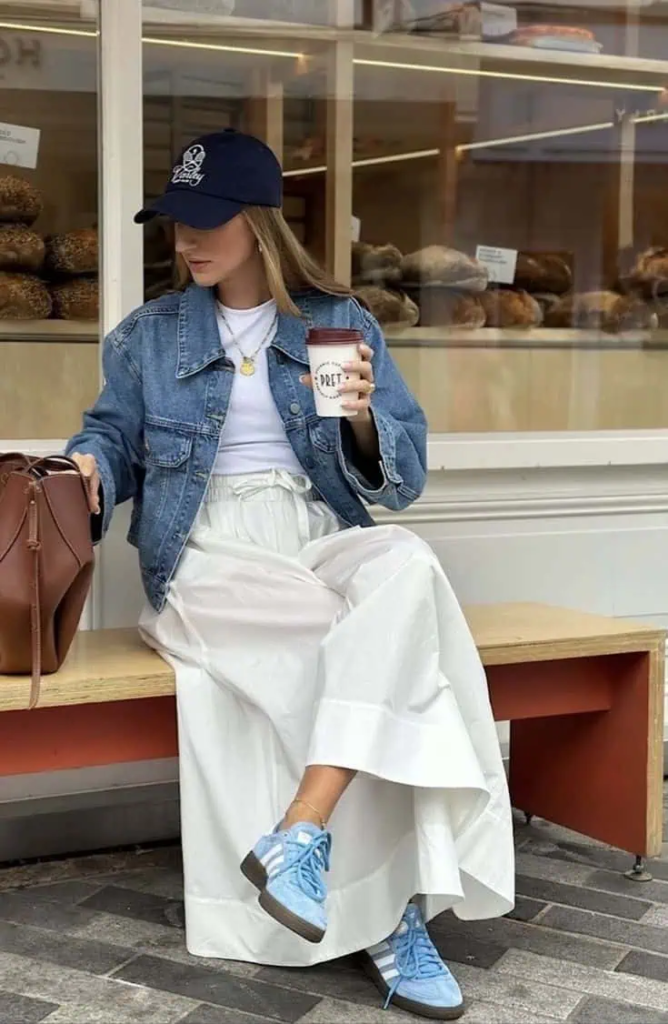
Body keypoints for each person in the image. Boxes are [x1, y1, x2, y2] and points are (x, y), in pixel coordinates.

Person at [67, 129, 514, 1020]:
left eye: (207, 221)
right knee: (358, 656)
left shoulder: (334, 326)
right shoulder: (148, 337)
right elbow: (112, 435)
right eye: (175, 223)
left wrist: (356, 424)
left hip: (314, 532)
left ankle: (301, 834)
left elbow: (402, 485)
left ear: (261, 224)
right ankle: (392, 916)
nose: (187, 241)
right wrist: (89, 465)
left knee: (405, 569)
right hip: (205, 546)